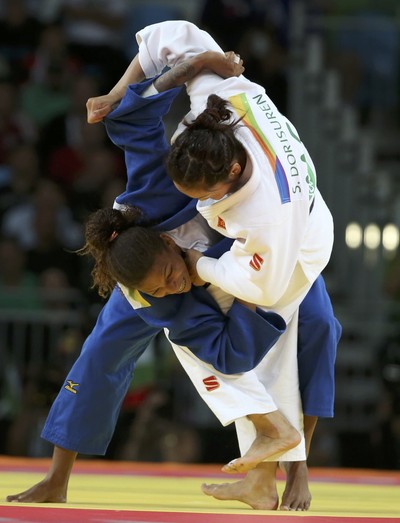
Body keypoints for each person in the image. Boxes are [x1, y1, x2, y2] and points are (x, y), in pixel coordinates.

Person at [6, 25, 340, 512]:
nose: (176, 282)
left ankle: (293, 469)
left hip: (256, 257)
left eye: (171, 273)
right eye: (166, 285)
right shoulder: (155, 295)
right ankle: (57, 477)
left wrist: (183, 71)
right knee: (102, 354)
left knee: (320, 326)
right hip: (185, 276)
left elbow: (130, 118)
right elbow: (229, 352)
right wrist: (194, 285)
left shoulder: (161, 182)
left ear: (166, 241)